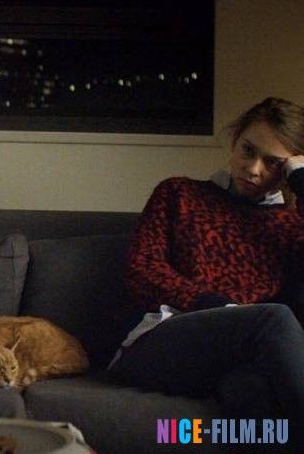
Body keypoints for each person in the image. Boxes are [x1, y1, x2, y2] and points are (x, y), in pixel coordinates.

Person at [109, 97, 304, 450]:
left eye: (273, 163)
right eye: (248, 150)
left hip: (243, 358)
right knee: (274, 319)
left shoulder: (291, 227)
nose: (253, 168)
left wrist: (303, 182)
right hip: (162, 339)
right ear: (235, 140)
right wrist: (218, 307)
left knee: (251, 394)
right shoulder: (179, 193)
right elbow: (142, 269)